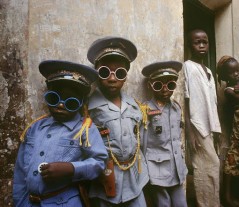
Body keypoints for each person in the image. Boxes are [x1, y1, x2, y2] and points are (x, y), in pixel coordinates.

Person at [13, 60, 108, 207]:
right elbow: (20, 173)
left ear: (82, 102)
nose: (60, 105)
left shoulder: (85, 129)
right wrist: (19, 202)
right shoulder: (34, 128)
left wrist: (71, 169)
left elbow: (100, 162)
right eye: (54, 98)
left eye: (71, 102)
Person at [87, 36, 149, 207]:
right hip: (105, 179)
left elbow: (141, 142)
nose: (112, 78)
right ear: (97, 73)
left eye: (119, 73)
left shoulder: (135, 106)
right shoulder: (88, 109)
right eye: (105, 72)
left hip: (134, 179)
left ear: (125, 77)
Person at [141, 61, 188, 207]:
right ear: (151, 85)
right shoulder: (145, 110)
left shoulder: (176, 108)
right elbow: (142, 143)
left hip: (176, 167)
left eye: (170, 85)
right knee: (163, 203)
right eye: (159, 85)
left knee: (181, 203)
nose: (165, 90)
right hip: (157, 170)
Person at [183, 29, 222, 207]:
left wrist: (217, 128)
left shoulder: (208, 71)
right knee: (205, 167)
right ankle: (205, 204)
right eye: (196, 42)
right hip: (197, 126)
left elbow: (212, 102)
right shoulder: (188, 66)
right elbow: (186, 99)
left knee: (212, 168)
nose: (201, 45)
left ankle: (212, 202)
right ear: (190, 45)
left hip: (210, 127)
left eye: (204, 42)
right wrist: (189, 132)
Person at [216, 56, 239, 207]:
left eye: (237, 70)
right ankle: (227, 196)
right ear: (225, 76)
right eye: (232, 73)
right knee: (232, 161)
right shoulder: (228, 91)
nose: (237, 74)